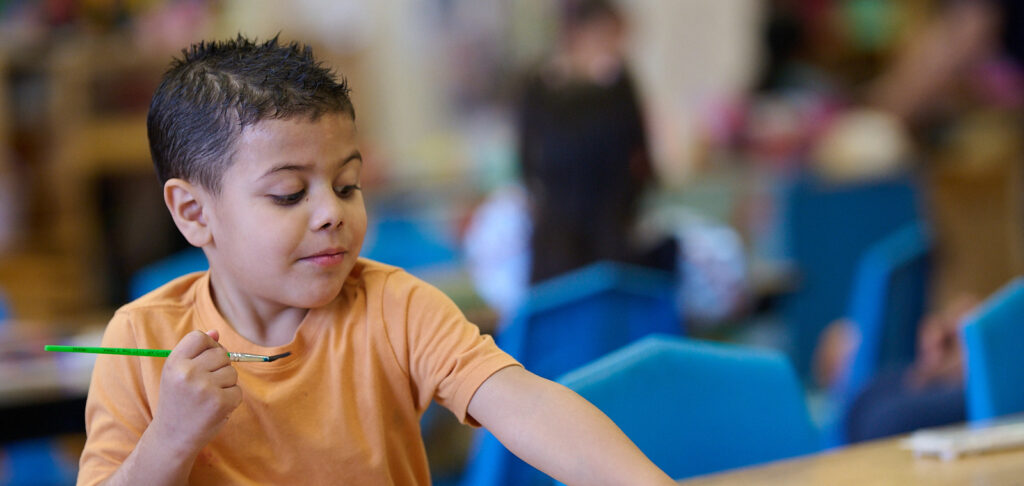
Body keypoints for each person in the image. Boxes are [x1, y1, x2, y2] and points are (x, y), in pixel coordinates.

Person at [76, 36, 674, 486]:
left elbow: (526, 403)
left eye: (347, 185)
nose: (330, 213)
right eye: (289, 194)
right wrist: (170, 440)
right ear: (193, 212)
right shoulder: (140, 338)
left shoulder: (394, 305)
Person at [518, 0, 674, 285]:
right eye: (608, 36)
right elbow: (527, 153)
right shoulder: (540, 83)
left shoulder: (618, 81)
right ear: (579, 33)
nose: (615, 46)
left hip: (612, 219)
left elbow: (639, 149)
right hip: (558, 224)